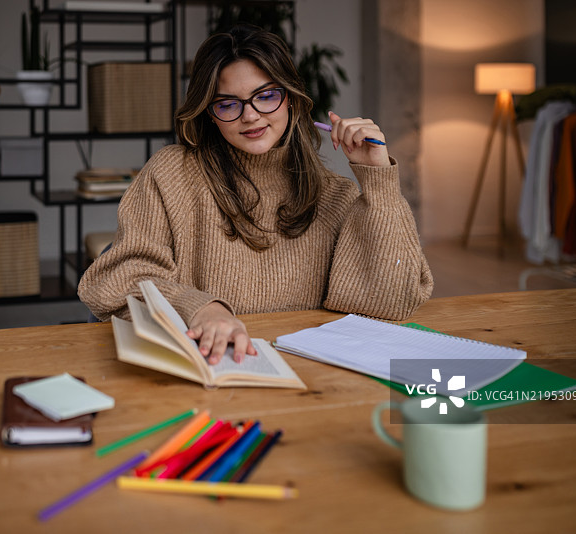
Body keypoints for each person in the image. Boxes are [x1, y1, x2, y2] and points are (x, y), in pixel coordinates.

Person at [78, 25, 433, 365]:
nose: (250, 116)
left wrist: (377, 179)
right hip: (206, 370)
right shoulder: (171, 174)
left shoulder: (334, 194)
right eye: (228, 104)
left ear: (291, 100)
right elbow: (114, 281)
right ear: (209, 114)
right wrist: (201, 307)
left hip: (306, 375)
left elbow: (390, 302)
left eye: (266, 96)